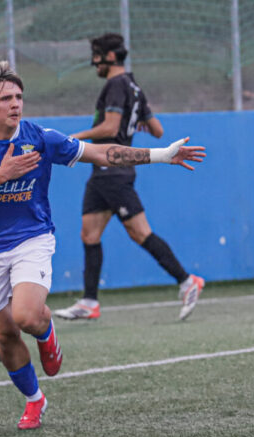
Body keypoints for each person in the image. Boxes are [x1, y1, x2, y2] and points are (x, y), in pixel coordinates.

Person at [0, 61, 205, 429]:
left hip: (32, 239)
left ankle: (47, 333)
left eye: (19, 96)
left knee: (26, 316)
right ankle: (35, 400)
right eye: (6, 98)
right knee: (3, 334)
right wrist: (2, 174)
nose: (16, 104)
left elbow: (101, 153)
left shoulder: (39, 137)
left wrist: (162, 155)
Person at [54, 33, 205, 322]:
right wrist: (133, 124)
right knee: (89, 233)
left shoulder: (115, 84)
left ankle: (187, 281)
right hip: (103, 173)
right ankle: (89, 302)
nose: (93, 62)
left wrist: (73, 139)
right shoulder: (133, 86)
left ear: (110, 57)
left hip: (114, 169)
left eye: (96, 55)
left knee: (140, 232)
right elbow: (157, 130)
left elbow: (110, 127)